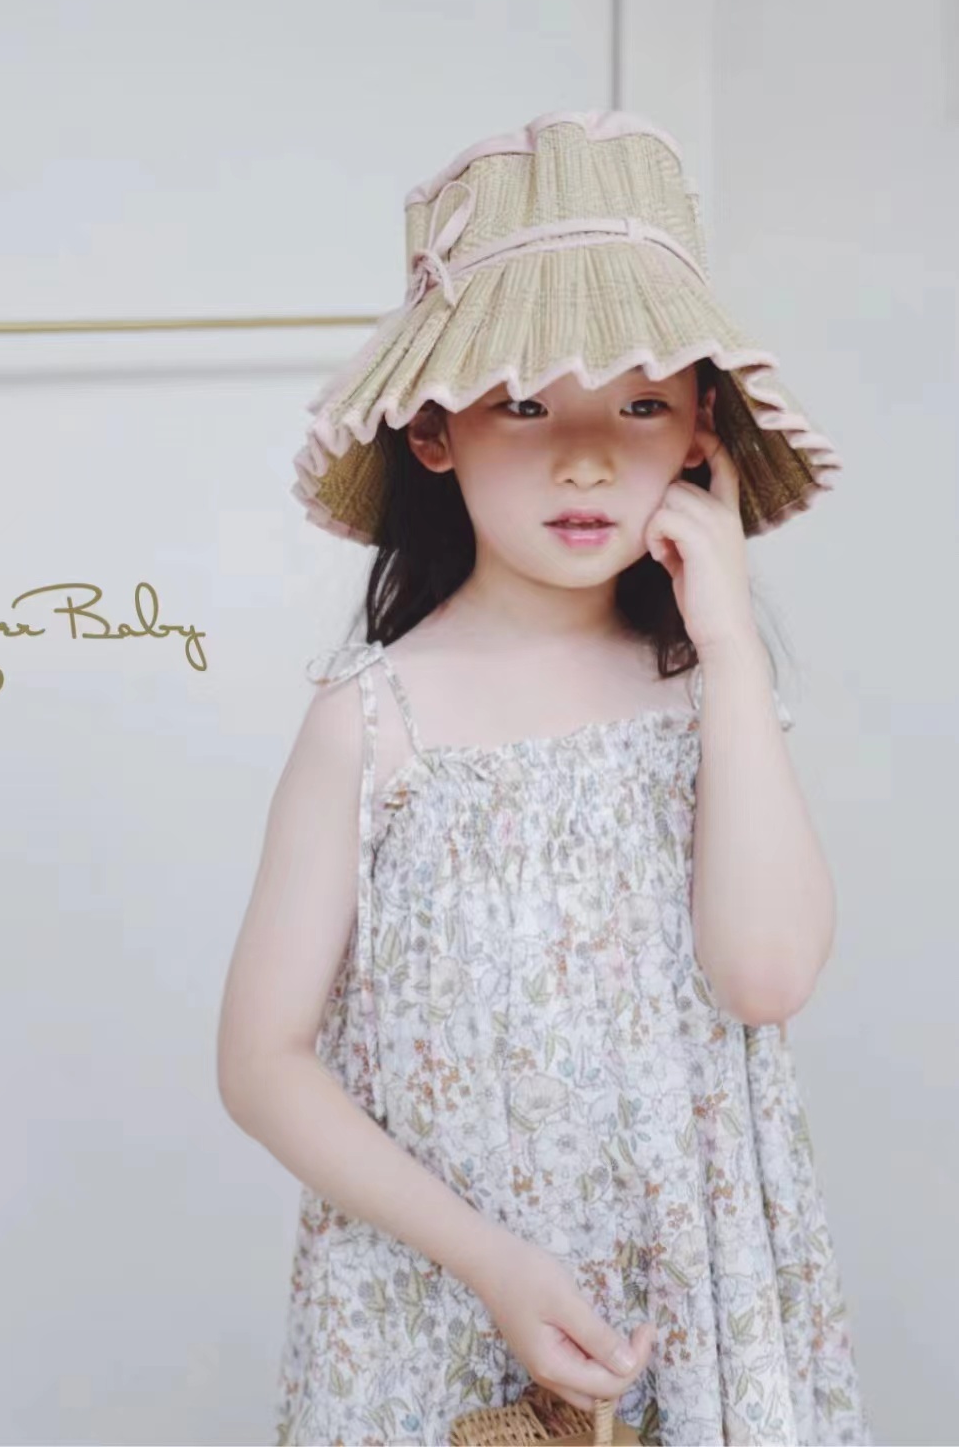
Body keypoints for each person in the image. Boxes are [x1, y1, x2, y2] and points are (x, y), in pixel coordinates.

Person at [217, 110, 873, 1446]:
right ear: (434, 431)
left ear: (700, 432)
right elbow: (261, 1061)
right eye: (526, 402)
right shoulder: (375, 721)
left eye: (641, 405)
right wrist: (494, 1266)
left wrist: (732, 648)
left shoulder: (710, 696)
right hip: (434, 1305)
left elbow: (764, 979)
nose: (587, 454)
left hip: (689, 1301)